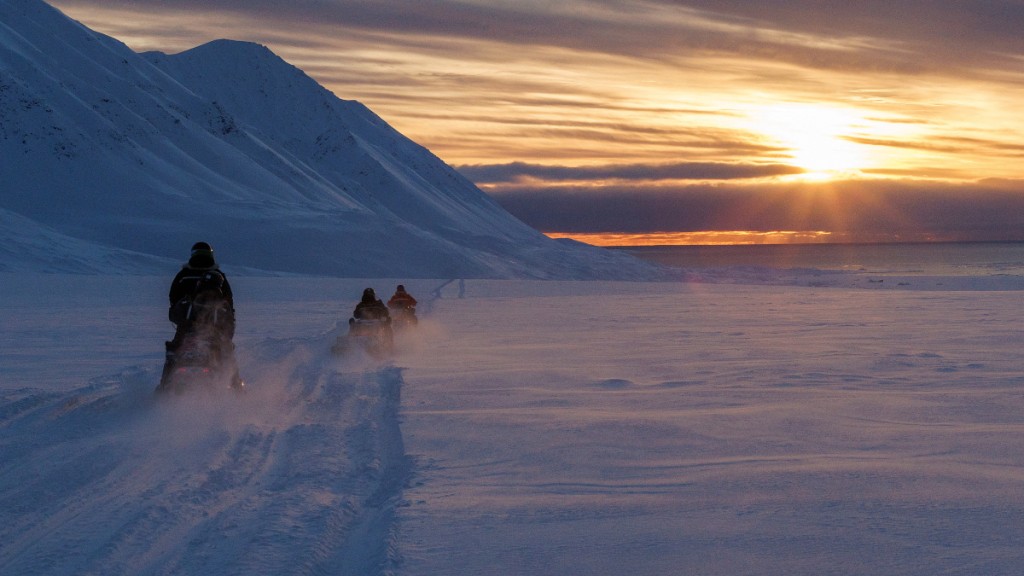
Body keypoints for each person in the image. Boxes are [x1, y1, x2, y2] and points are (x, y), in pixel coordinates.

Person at [158, 242, 243, 391]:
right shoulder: (218, 277)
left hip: (188, 327)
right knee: (227, 352)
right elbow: (229, 304)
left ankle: (164, 387)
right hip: (211, 328)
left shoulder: (183, 275)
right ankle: (237, 390)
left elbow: (173, 299)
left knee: (173, 352)